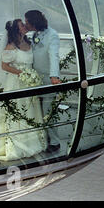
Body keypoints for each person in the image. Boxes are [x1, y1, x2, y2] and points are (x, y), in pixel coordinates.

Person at [0, 19, 47, 162]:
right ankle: (16, 147)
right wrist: (22, 73)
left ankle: (32, 142)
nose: (25, 26)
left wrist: (31, 76)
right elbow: (4, 66)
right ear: (17, 29)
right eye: (22, 25)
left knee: (30, 111)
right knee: (19, 112)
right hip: (16, 83)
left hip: (28, 83)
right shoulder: (11, 46)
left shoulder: (28, 43)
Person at [24, 10, 62, 153]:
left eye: (27, 21)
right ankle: (42, 138)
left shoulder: (52, 35)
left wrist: (54, 76)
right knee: (38, 112)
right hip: (34, 79)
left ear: (34, 22)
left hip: (47, 78)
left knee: (48, 112)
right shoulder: (34, 35)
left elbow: (54, 56)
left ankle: (55, 142)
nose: (26, 24)